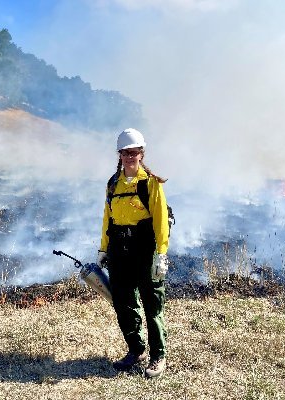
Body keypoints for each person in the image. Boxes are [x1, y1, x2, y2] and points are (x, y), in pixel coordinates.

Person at [97, 128, 170, 379]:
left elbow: (161, 221)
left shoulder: (151, 184)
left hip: (145, 250)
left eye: (134, 152)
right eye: (125, 152)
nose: (130, 156)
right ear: (120, 154)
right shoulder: (113, 184)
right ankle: (136, 350)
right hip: (119, 251)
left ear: (142, 154)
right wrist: (103, 249)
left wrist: (161, 254)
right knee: (123, 303)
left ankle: (157, 356)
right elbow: (108, 218)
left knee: (152, 305)